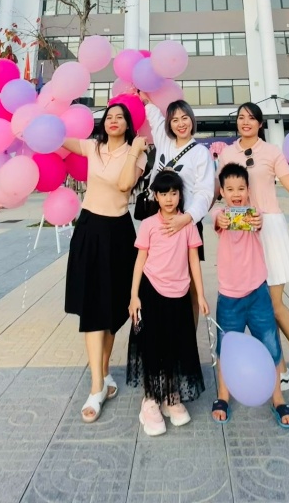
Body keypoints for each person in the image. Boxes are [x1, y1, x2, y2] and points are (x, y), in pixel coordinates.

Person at [216, 102, 289, 398]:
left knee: (273, 304)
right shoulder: (227, 153)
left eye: (251, 118)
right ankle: (279, 370)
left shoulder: (271, 152)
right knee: (257, 307)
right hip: (240, 232)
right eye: (241, 117)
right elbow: (218, 192)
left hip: (269, 228)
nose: (245, 122)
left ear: (260, 124)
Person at [64, 102, 148, 423]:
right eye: (109, 117)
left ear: (128, 124)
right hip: (89, 229)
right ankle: (96, 386)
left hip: (119, 233)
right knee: (91, 307)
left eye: (120, 117)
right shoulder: (92, 147)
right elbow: (57, 139)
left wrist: (134, 149)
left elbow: (125, 185)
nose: (113, 121)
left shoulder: (137, 154)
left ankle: (104, 372)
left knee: (112, 309)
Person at [211, 163, 289, 429]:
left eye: (241, 188)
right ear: (222, 192)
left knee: (270, 343)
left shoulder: (254, 214)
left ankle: (278, 398)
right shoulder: (220, 215)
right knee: (226, 347)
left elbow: (258, 222)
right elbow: (217, 219)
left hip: (258, 292)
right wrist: (221, 218)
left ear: (248, 190)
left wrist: (256, 221)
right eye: (229, 189)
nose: (236, 193)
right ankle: (223, 396)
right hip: (229, 297)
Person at [127, 169, 209, 436]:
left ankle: (171, 396)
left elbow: (194, 260)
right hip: (151, 291)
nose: (170, 199)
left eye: (174, 193)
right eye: (164, 194)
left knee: (176, 344)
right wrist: (134, 296)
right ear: (156, 196)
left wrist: (201, 294)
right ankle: (150, 400)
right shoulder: (149, 224)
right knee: (153, 344)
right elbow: (140, 260)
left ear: (180, 196)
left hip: (180, 293)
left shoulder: (188, 225)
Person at [141, 96, 215, 323]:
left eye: (185, 118)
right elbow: (155, 118)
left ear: (192, 120)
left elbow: (205, 192)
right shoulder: (164, 141)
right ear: (169, 124)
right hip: (157, 219)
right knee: (154, 273)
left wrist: (187, 219)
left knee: (188, 280)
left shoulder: (200, 152)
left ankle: (187, 334)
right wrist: (146, 101)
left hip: (186, 222)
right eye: (175, 120)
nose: (181, 124)